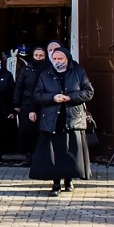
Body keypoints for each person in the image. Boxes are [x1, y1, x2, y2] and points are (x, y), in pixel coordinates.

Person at [29, 42, 94, 194]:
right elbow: (37, 95)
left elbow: (89, 92)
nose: (57, 61)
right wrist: (53, 97)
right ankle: (56, 183)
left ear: (67, 59)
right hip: (52, 119)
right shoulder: (45, 74)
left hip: (72, 117)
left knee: (70, 151)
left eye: (60, 59)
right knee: (54, 153)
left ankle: (69, 180)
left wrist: (70, 97)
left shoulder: (78, 72)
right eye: (55, 59)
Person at [14, 44, 49, 159]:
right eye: (36, 55)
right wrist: (16, 103)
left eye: (41, 55)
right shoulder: (26, 69)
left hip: (43, 103)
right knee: (27, 130)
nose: (38, 57)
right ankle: (28, 154)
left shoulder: (48, 69)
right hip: (27, 103)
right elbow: (19, 86)